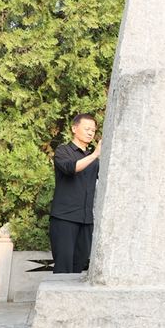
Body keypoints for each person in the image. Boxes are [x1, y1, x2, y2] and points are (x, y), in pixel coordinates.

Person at [49, 113, 101, 273]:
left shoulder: (94, 159)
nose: (90, 132)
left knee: (79, 267)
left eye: (93, 130)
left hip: (86, 220)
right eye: (86, 128)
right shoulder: (63, 151)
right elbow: (70, 168)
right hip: (65, 217)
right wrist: (95, 155)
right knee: (63, 267)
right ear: (74, 128)